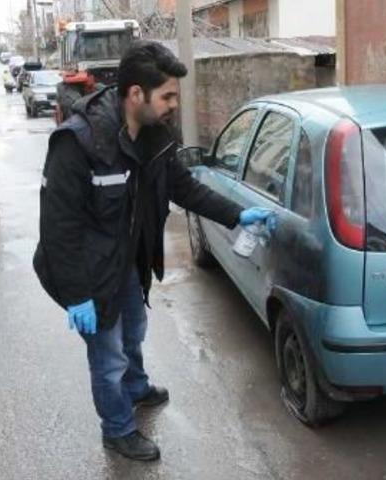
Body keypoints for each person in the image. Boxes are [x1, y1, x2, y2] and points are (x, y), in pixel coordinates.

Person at [33, 41, 275, 462]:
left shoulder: (156, 136)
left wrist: (238, 215)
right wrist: (76, 294)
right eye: (167, 96)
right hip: (90, 273)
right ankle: (118, 430)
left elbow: (184, 187)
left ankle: (136, 387)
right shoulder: (80, 143)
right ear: (135, 95)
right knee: (107, 358)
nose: (173, 105)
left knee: (134, 330)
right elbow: (58, 228)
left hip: (128, 259)